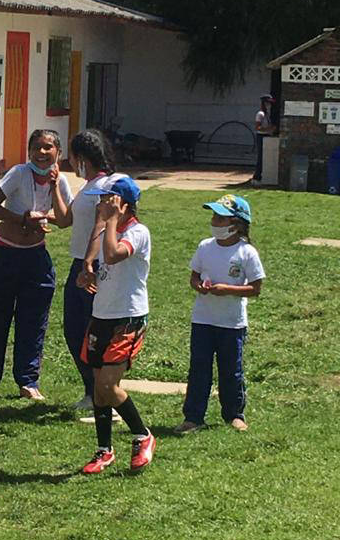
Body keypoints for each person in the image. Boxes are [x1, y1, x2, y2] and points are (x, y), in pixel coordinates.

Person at [0, 129, 74, 402]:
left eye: (48, 148)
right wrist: (21, 219)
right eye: (36, 148)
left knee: (34, 322)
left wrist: (53, 191)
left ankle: (28, 381)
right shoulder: (18, 173)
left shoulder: (60, 180)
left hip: (35, 257)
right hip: (5, 255)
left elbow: (66, 220)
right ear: (29, 151)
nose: (42, 154)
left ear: (58, 153)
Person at [78, 177, 156, 475]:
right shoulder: (109, 229)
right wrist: (87, 272)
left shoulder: (138, 232)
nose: (100, 206)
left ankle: (142, 435)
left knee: (108, 385)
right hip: (102, 314)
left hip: (127, 316)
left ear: (123, 205)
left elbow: (112, 254)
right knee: (99, 387)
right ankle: (104, 450)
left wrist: (108, 221)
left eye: (107, 202)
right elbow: (102, 261)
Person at [175, 194, 265, 434]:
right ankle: (193, 416)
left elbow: (255, 288)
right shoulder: (205, 247)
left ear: (236, 225)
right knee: (199, 369)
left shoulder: (246, 252)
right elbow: (194, 277)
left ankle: (234, 414)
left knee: (231, 370)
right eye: (214, 216)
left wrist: (227, 290)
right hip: (203, 319)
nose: (214, 221)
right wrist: (198, 286)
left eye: (220, 218)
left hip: (231, 323)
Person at [50, 129, 121, 412]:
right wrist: (56, 185)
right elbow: (65, 220)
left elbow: (103, 224)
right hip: (79, 262)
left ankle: (103, 392)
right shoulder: (87, 187)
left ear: (82, 157)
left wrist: (91, 262)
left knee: (95, 330)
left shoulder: (108, 185)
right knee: (74, 329)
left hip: (96, 265)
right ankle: (92, 390)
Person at [253, 94, 276, 182]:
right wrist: (269, 128)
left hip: (267, 136)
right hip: (261, 136)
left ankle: (261, 176)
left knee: (265, 157)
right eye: (268, 103)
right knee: (261, 157)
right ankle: (257, 177)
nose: (269, 105)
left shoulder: (267, 115)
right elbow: (257, 127)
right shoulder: (260, 114)